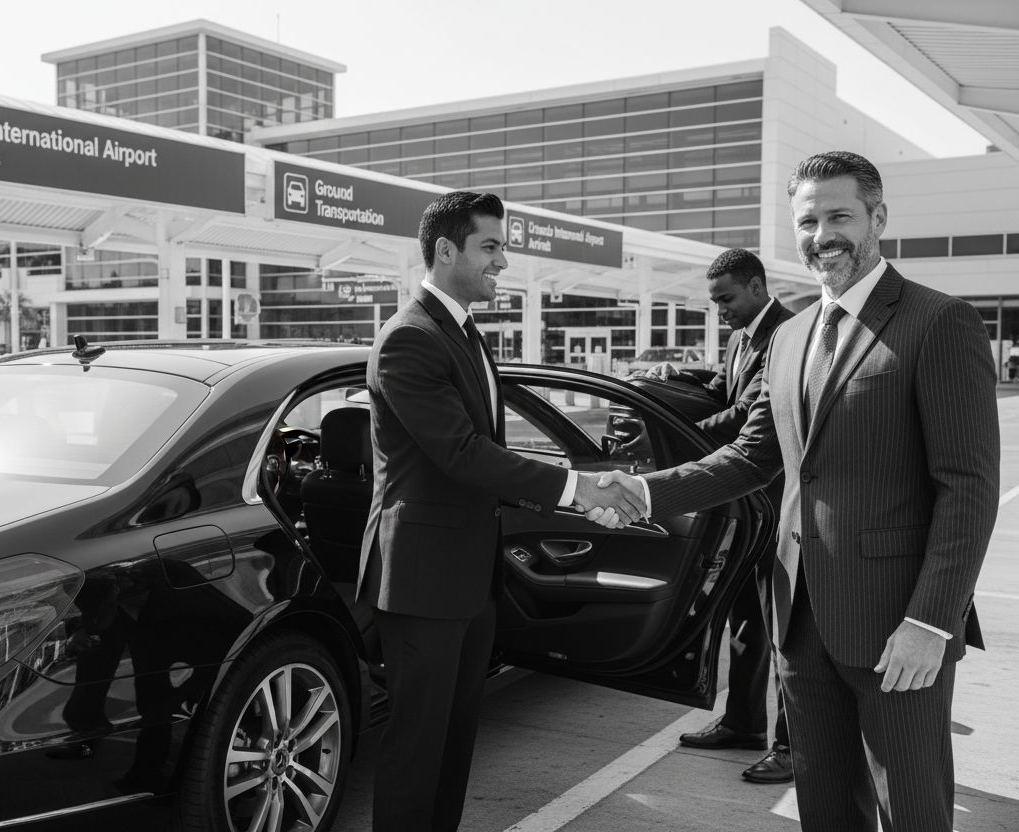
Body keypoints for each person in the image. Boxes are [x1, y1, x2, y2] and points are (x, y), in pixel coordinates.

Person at [595, 151, 999, 831]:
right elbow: (751, 456)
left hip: (897, 623)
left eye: (839, 215)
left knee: (913, 809)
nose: (822, 233)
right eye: (807, 220)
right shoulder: (789, 337)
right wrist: (643, 491)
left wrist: (931, 621)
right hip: (800, 615)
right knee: (825, 806)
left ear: (878, 218)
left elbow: (968, 487)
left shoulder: (939, 322)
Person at [357, 190, 643, 832]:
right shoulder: (410, 337)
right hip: (423, 584)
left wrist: (580, 496)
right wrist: (574, 488)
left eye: (502, 246)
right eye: (491, 247)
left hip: (468, 578)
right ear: (445, 251)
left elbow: (487, 455)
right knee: (416, 748)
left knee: (455, 746)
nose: (503, 262)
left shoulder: (462, 331)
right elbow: (462, 454)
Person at [650, 248, 796, 783]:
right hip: (749, 508)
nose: (720, 311)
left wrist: (673, 442)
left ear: (757, 286)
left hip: (777, 506)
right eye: (714, 301)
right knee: (747, 619)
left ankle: (791, 747)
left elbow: (745, 415)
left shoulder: (785, 335)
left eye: (726, 298)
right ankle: (743, 724)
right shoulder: (743, 337)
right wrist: (664, 385)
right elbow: (721, 389)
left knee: (783, 632)